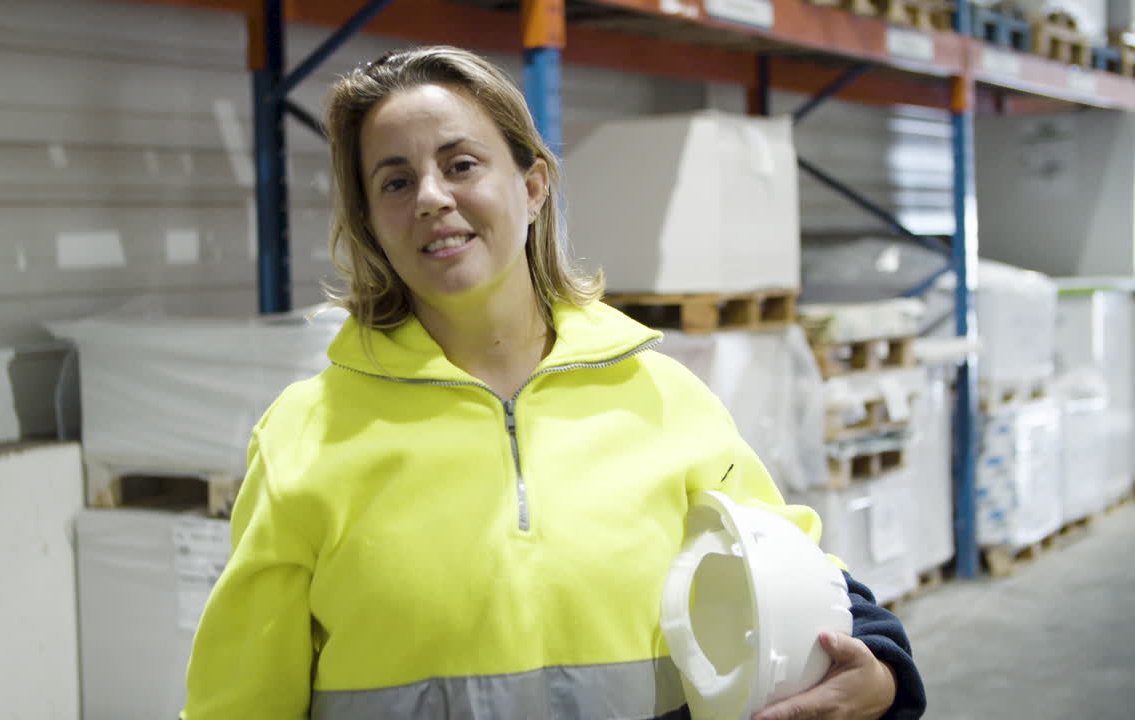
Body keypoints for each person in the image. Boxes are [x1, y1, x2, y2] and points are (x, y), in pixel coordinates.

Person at [181, 46, 925, 720]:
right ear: (373, 223)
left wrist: (884, 675)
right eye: (396, 181)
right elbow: (237, 699)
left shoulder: (663, 397)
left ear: (533, 187)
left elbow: (794, 572)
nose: (431, 197)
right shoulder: (305, 435)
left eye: (461, 164)